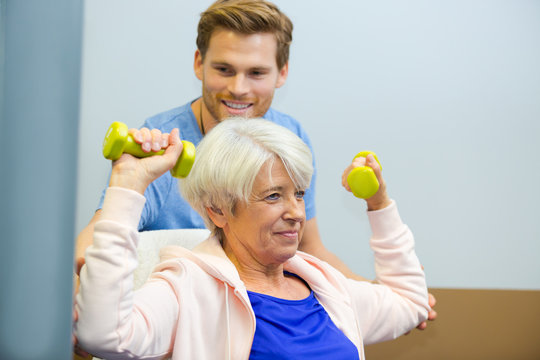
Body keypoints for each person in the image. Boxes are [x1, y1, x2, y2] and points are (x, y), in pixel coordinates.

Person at [74, 0, 436, 327]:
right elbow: (93, 243)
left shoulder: (287, 136)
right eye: (224, 69)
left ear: (282, 73)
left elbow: (309, 246)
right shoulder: (163, 141)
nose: (239, 88)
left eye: (257, 73)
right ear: (199, 64)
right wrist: (75, 296)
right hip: (188, 324)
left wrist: (381, 297)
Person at [74, 118, 430, 359]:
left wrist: (379, 203)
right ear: (218, 210)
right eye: (274, 196)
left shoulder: (325, 286)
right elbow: (103, 334)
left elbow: (409, 303)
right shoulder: (189, 289)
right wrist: (128, 183)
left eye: (299, 194)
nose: (296, 212)